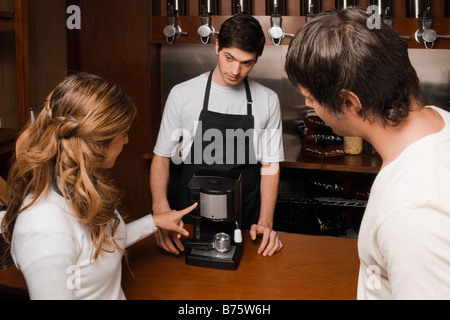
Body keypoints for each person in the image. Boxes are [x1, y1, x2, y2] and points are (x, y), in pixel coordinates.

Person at [285, 8, 450, 299]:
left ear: (349, 102)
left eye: (311, 98)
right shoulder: (438, 123)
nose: (311, 106)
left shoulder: (415, 214)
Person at [0, 73, 197, 300]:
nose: (126, 140)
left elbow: (97, 249)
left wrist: (153, 222)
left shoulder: (81, 186)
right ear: (98, 143)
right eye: (123, 134)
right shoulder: (44, 230)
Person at [150, 14, 284, 257]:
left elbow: (270, 165)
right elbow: (161, 157)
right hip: (190, 219)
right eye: (229, 57)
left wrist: (265, 222)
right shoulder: (182, 94)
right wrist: (161, 211)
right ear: (217, 46)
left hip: (245, 220)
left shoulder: (268, 100)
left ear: (256, 60)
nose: (235, 70)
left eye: (247, 63)